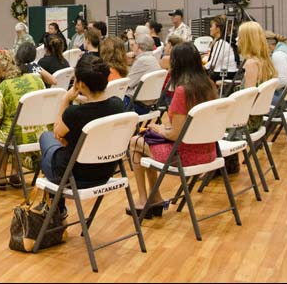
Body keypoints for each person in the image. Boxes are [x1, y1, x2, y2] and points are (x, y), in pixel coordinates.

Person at [128, 43, 218, 217]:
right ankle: (155, 198)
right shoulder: (208, 86)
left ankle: (144, 200)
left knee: (135, 143)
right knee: (143, 144)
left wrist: (159, 129)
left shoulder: (182, 91)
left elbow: (175, 134)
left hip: (185, 156)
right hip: (209, 151)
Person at [39, 54, 125, 217]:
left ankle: (55, 208)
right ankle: (55, 205)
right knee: (64, 141)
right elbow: (96, 108)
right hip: (106, 171)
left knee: (46, 137)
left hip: (76, 175)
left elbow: (57, 132)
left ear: (81, 84)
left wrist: (65, 100)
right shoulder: (117, 105)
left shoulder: (74, 114)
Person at [0, 49, 46, 189]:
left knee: (1, 133)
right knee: (16, 128)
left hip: (16, 137)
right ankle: (16, 173)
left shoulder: (2, 88)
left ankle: (1, 176)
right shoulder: (36, 79)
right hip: (38, 134)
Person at [237, 21, 278, 132]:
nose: (237, 40)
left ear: (247, 41)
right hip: (256, 120)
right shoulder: (265, 61)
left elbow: (247, 98)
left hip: (244, 122)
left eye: (239, 37)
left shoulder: (251, 64)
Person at [124, 34, 161, 114]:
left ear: (138, 46)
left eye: (134, 44)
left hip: (136, 105)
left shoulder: (142, 61)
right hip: (149, 103)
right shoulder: (153, 58)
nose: (132, 46)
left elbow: (127, 83)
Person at [205, 15, 238, 81]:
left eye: (211, 26)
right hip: (229, 71)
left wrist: (200, 68)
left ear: (218, 29)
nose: (210, 29)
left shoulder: (221, 43)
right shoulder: (226, 40)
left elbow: (213, 63)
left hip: (226, 73)